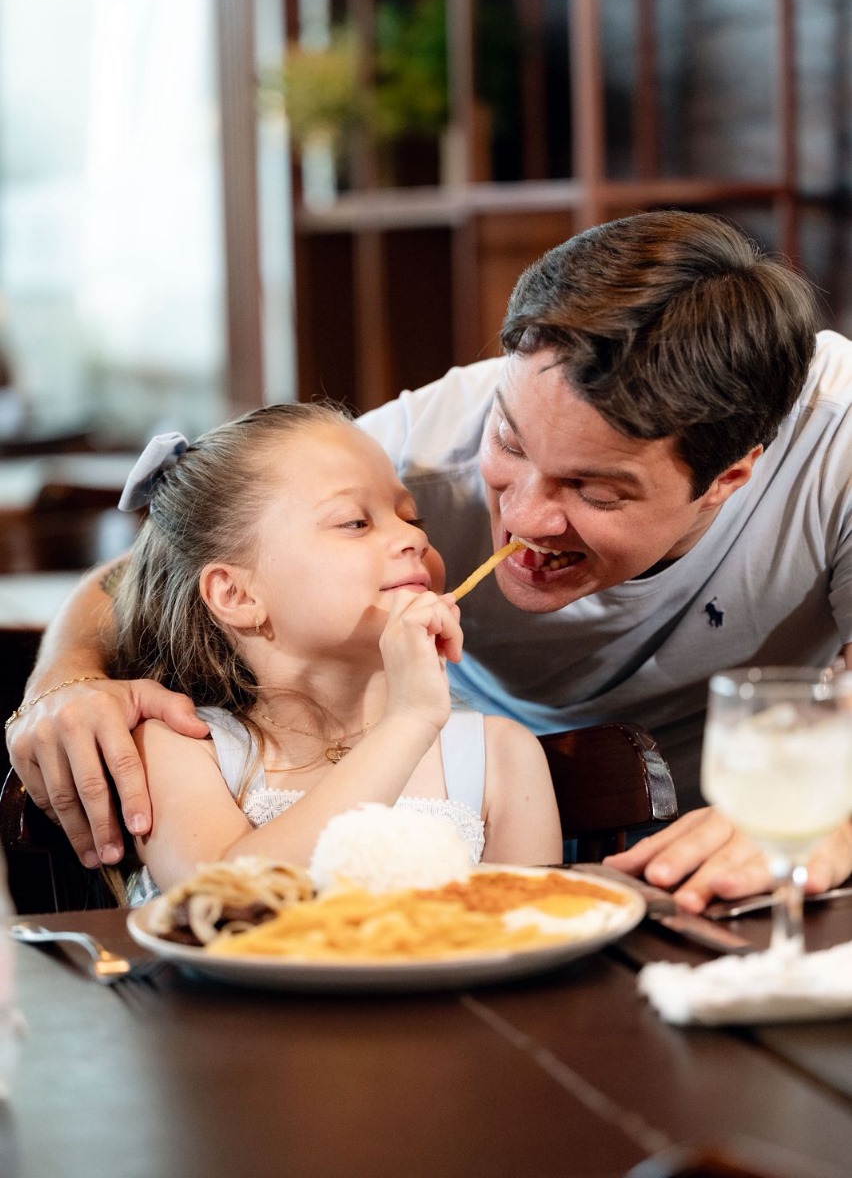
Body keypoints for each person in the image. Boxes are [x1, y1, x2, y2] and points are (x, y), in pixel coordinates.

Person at [8, 210, 852, 908]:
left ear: (729, 476)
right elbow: (162, 565)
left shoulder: (837, 442)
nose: (520, 516)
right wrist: (63, 679)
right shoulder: (405, 452)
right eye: (509, 443)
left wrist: (835, 813)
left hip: (738, 845)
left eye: (594, 491)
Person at [92, 402, 562, 893]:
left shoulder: (501, 757)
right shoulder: (180, 748)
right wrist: (408, 720)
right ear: (237, 595)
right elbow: (223, 900)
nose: (413, 538)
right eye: (355, 523)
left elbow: (531, 935)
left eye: (410, 517)